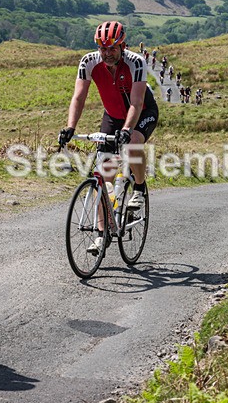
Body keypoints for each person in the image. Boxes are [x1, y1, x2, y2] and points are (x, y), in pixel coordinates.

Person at [58, 21, 158, 254]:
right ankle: (103, 235)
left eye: (112, 48)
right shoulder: (88, 62)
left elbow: (136, 102)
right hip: (112, 116)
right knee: (104, 176)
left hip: (142, 112)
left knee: (133, 141)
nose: (106, 53)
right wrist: (70, 127)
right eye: (102, 48)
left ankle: (140, 188)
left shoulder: (136, 62)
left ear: (122, 46)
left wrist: (126, 130)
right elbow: (78, 97)